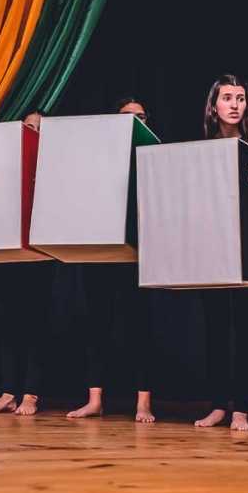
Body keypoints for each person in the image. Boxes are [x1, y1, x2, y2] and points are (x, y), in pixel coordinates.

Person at [66, 97, 157, 423]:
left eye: (141, 117)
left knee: (140, 327)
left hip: (139, 254)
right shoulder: (97, 158)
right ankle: (95, 400)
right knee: (96, 324)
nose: (134, 122)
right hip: (100, 253)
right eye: (127, 117)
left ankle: (143, 403)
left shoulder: (155, 157)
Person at [193, 74, 248, 432]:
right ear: (214, 105)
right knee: (215, 330)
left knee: (246, 331)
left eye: (240, 98)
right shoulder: (201, 149)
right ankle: (218, 405)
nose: (234, 104)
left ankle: (242, 409)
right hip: (212, 250)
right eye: (227, 98)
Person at [0, 110, 54, 416]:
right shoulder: (7, 164)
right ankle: (9, 392)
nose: (32, 131)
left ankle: (31, 394)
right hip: (9, 251)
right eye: (27, 126)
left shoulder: (53, 164)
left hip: (40, 253)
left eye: (38, 127)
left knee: (35, 324)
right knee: (7, 322)